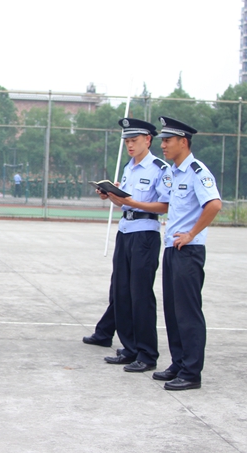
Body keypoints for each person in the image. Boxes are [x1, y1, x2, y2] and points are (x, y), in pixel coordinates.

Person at [95, 118, 172, 373]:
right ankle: (129, 349)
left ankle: (147, 354)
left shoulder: (159, 168)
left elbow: (165, 205)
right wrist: (111, 196)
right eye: (127, 141)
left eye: (134, 140)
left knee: (141, 295)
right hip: (125, 231)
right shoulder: (129, 167)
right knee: (121, 292)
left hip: (144, 235)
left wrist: (133, 203)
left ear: (148, 140)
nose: (129, 145)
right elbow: (124, 202)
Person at [152, 116, 222, 390]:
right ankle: (179, 363)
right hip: (172, 248)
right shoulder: (174, 172)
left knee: (187, 312)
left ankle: (191, 372)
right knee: (172, 311)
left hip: (188, 251)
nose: (163, 145)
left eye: (168, 140)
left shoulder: (196, 171)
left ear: (183, 142)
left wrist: (192, 233)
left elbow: (214, 205)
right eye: (162, 141)